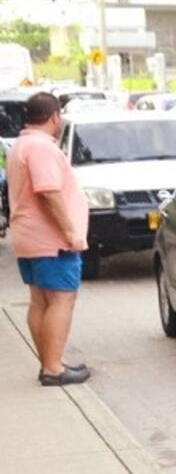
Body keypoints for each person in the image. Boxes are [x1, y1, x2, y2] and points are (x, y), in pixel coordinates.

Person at [5, 92, 90, 385]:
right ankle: (53, 368)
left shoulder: (20, 145)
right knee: (61, 300)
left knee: (40, 301)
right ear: (54, 116)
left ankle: (49, 362)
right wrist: (69, 231)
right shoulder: (42, 148)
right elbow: (48, 191)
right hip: (51, 241)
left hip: (28, 238)